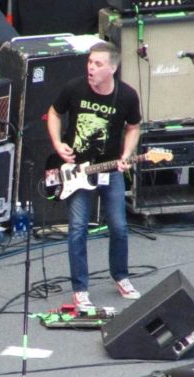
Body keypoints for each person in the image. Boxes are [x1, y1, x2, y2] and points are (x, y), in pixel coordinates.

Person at [47, 41, 142, 312]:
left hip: (109, 169)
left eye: (98, 64)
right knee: (78, 228)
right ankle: (80, 289)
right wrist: (57, 143)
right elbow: (54, 112)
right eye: (90, 62)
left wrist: (126, 154)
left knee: (119, 227)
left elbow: (133, 127)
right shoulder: (74, 88)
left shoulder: (126, 96)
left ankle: (121, 276)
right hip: (77, 170)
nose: (91, 67)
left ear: (112, 68)